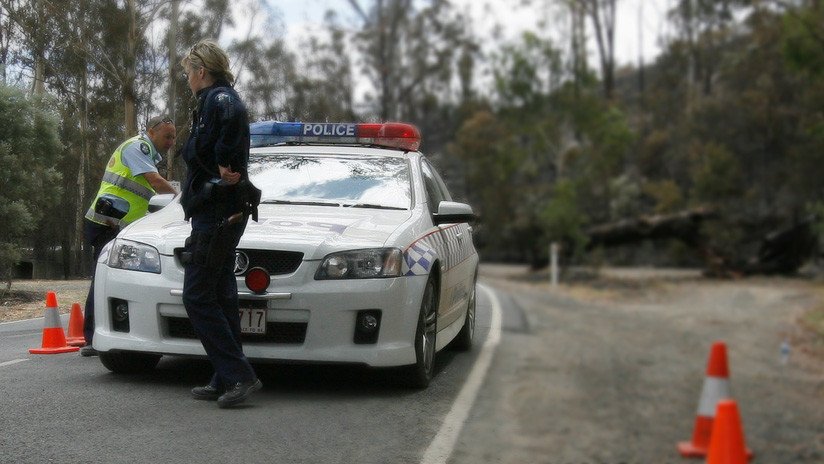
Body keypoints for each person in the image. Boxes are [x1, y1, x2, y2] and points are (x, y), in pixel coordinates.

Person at [179, 39, 261, 408]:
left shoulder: (220, 102)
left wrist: (225, 171)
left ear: (201, 71)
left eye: (188, 72)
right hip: (219, 208)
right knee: (222, 294)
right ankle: (224, 375)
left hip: (217, 210)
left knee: (196, 295)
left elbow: (224, 161)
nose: (187, 79)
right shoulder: (215, 101)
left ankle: (239, 375)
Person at [81, 116, 178, 357]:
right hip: (107, 222)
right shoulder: (138, 147)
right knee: (103, 280)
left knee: (112, 279)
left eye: (174, 137)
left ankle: (104, 334)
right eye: (167, 136)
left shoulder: (148, 155)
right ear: (151, 132)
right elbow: (154, 182)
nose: (171, 142)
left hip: (119, 225)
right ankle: (93, 337)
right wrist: (181, 199)